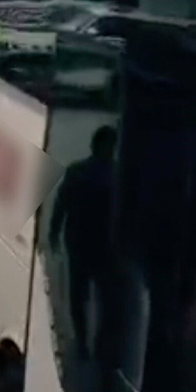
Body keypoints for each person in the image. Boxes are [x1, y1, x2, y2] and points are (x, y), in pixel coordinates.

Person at [49, 125, 116, 360]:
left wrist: (54, 233)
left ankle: (83, 341)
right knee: (100, 295)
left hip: (79, 241)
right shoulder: (116, 176)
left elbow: (61, 204)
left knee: (81, 295)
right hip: (100, 244)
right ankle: (94, 343)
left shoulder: (78, 171)